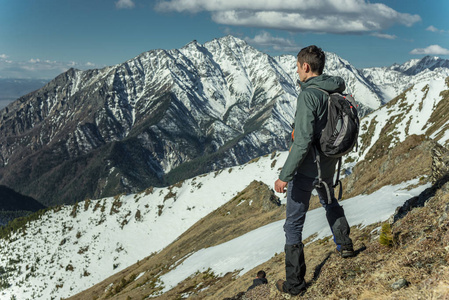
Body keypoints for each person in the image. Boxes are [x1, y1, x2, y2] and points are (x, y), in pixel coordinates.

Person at [274, 45, 354, 296]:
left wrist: (284, 176)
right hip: (328, 166)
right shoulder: (334, 90)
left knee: (293, 224)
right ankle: (345, 244)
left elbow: (302, 140)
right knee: (330, 203)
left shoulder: (308, 96)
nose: (297, 71)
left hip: (307, 170)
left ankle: (295, 284)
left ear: (305, 67)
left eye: (298, 67)